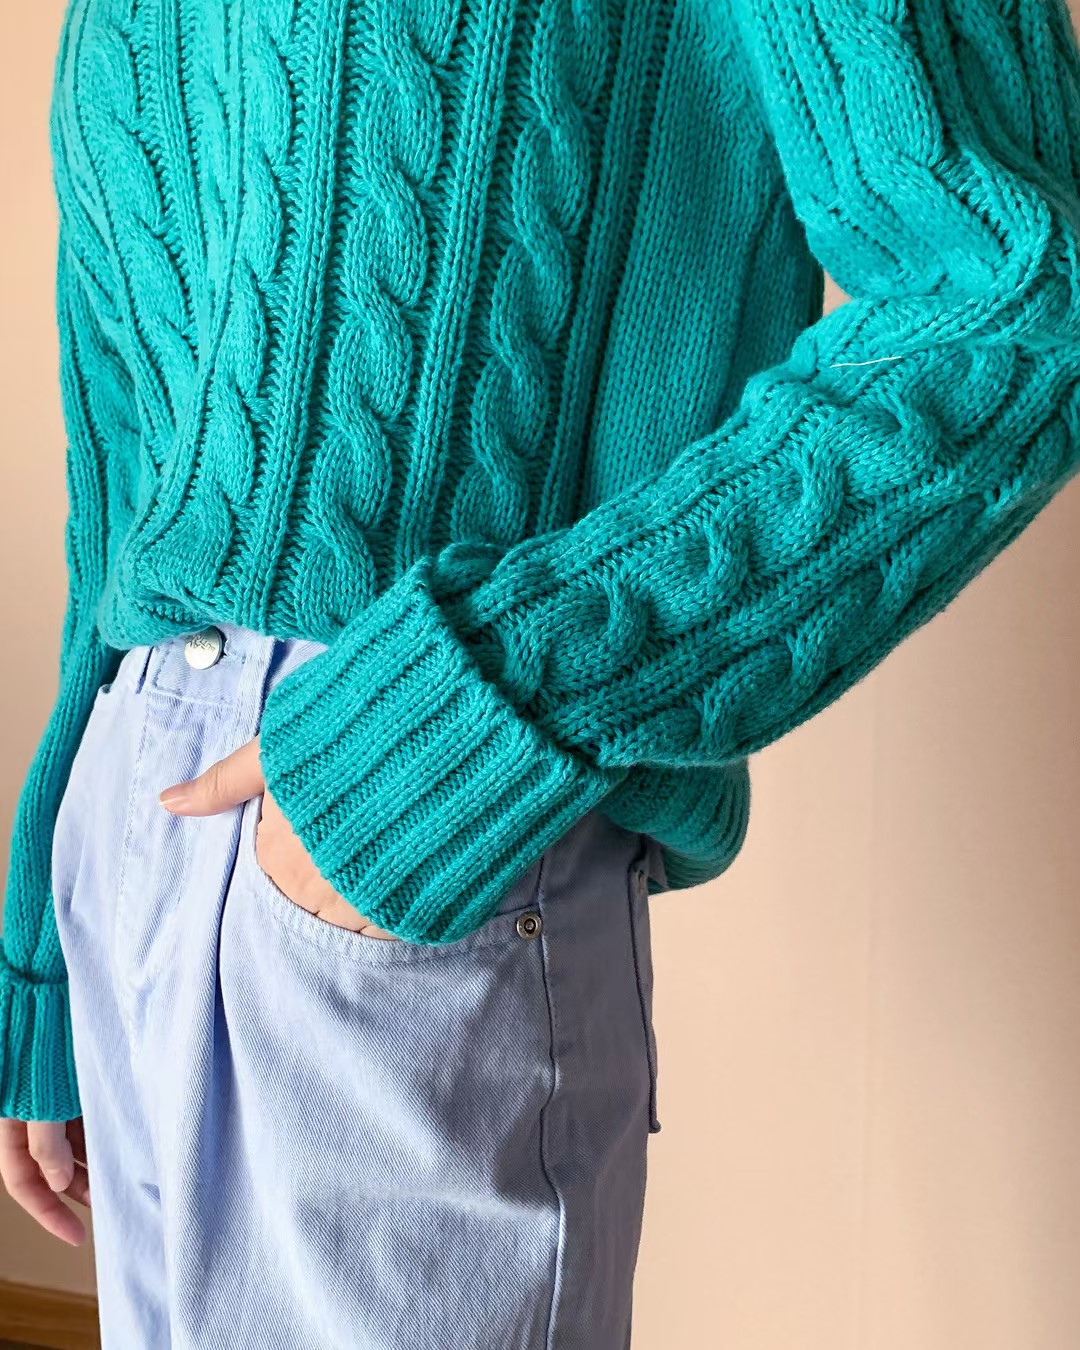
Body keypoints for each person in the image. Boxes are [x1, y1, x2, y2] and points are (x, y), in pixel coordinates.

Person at [3, 0, 1079, 1345]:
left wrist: (492, 695)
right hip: (139, 824)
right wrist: (44, 937)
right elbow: (125, 462)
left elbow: (1018, 299)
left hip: (412, 822)